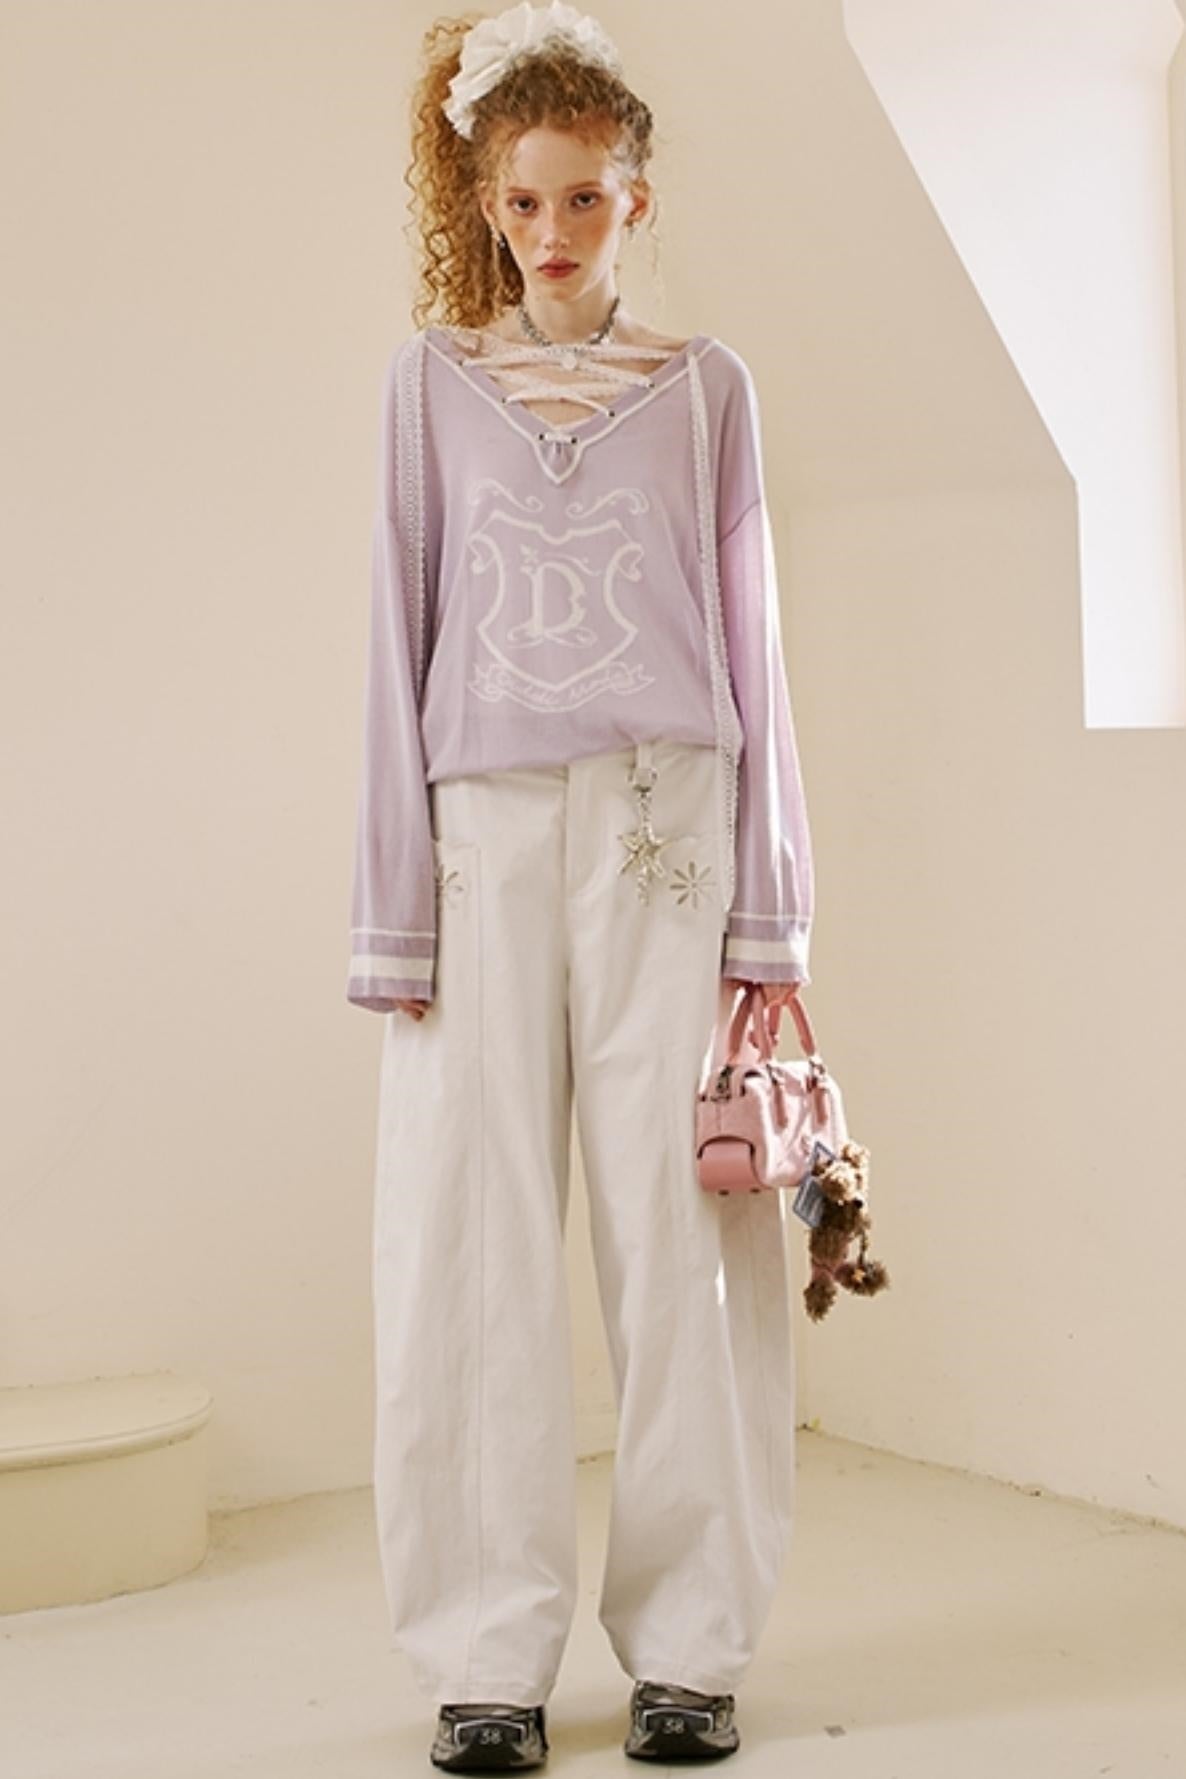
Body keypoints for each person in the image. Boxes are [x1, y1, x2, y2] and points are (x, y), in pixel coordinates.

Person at [346, 3, 815, 1769]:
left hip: (664, 824)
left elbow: (755, 648)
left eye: (586, 199)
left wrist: (770, 908)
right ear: (484, 201)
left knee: (683, 1240)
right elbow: (394, 639)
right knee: (465, 1242)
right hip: (478, 838)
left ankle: (691, 1648)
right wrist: (392, 901)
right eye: (524, 202)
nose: (552, 233)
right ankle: (486, 1658)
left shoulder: (708, 393)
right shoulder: (426, 386)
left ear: (636, 197)